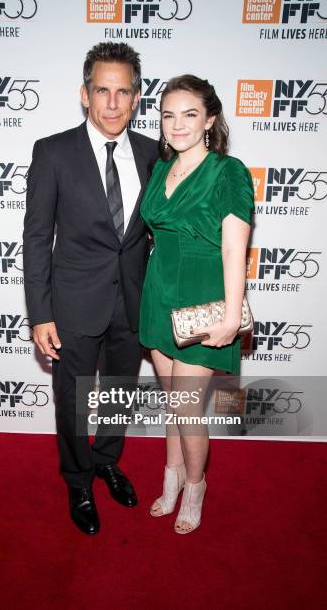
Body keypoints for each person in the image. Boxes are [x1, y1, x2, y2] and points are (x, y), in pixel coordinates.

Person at [23, 42, 158, 535]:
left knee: (121, 391)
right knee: (75, 401)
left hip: (134, 303)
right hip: (73, 305)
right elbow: (37, 237)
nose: (113, 103)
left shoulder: (151, 153)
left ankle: (106, 460)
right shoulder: (53, 152)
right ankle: (78, 481)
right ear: (85, 94)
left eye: (124, 92)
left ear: (137, 97)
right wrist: (40, 313)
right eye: (103, 90)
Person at [139, 75, 254, 534]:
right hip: (158, 293)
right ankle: (170, 481)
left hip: (202, 300)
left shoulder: (228, 171)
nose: (178, 124)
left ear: (210, 119)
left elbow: (233, 249)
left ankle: (195, 485)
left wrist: (231, 314)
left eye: (190, 114)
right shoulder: (158, 170)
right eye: (169, 114)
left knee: (187, 408)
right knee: (173, 405)